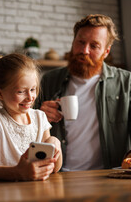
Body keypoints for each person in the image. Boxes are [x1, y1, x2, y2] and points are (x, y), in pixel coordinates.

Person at [35, 14, 131, 171]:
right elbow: (25, 132)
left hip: (109, 176)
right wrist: (38, 117)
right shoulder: (49, 80)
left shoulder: (126, 83)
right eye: (80, 42)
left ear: (106, 52)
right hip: (58, 174)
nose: (84, 51)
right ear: (73, 43)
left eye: (94, 46)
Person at [0, 53, 62, 181]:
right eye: (20, 91)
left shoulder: (40, 118)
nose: (30, 97)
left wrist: (55, 142)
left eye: (33, 89)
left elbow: (54, 168)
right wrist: (17, 172)